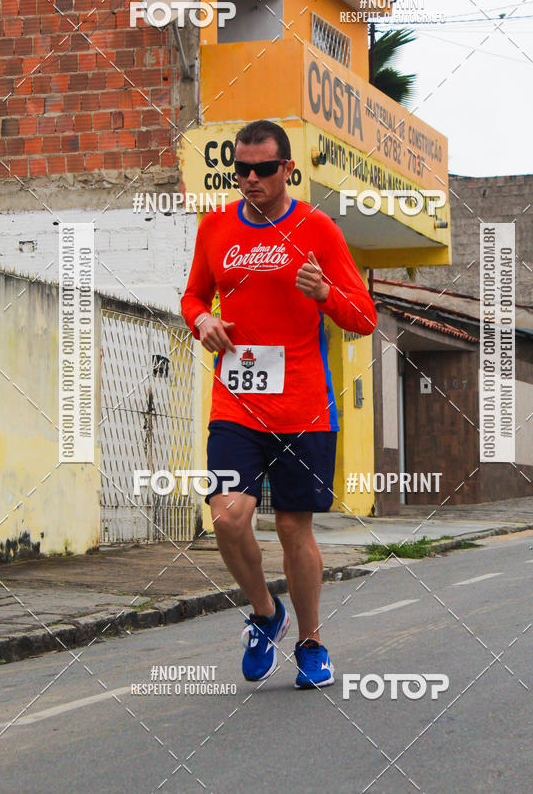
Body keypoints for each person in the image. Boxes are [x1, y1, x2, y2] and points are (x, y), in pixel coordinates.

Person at [181, 119, 376, 689]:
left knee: (294, 529)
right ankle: (267, 613)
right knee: (227, 515)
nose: (251, 179)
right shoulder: (215, 226)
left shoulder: (317, 229)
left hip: (304, 407)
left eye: (264, 169)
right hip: (236, 402)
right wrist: (204, 320)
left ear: (288, 169)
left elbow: (362, 316)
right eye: (241, 169)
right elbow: (193, 295)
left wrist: (325, 293)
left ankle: (311, 642)